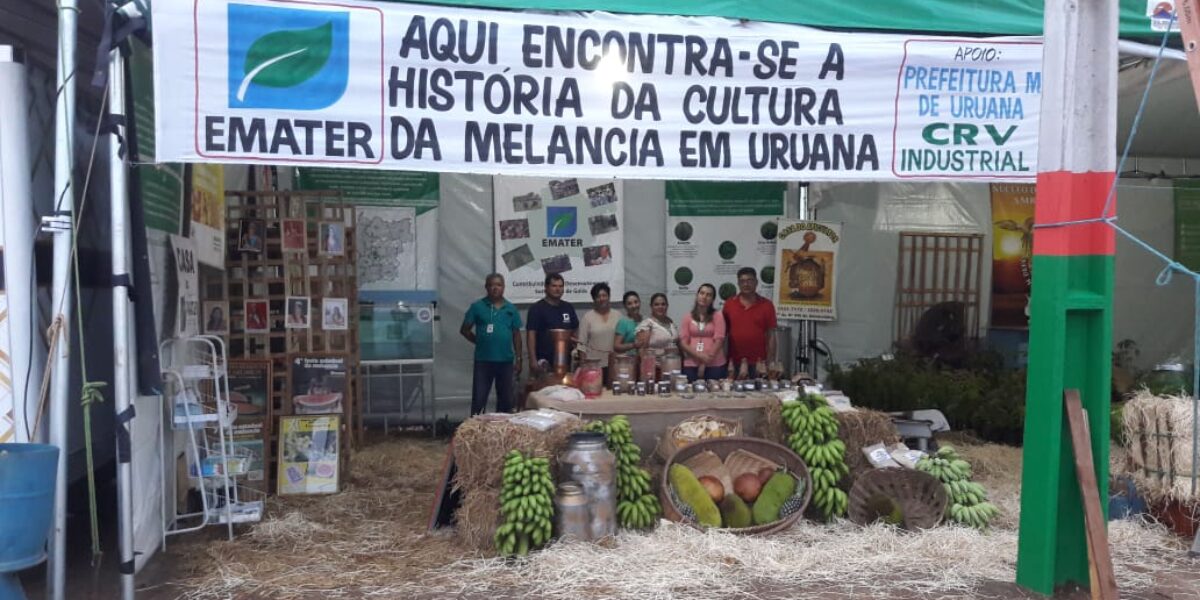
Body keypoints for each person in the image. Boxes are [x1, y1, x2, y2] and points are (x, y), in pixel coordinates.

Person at [460, 273, 523, 415]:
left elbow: (516, 335)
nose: (495, 288)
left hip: (506, 362)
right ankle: (475, 432)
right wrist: (479, 341)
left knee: (505, 401)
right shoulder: (477, 307)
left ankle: (501, 433)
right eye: (492, 285)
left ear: (504, 287)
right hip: (483, 361)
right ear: (486, 287)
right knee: (479, 399)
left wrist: (519, 359)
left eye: (499, 285)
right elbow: (464, 330)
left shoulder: (511, 309)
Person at [722, 267, 778, 379]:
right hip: (734, 363)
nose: (746, 284)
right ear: (738, 283)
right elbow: (724, 336)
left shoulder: (767, 305)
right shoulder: (729, 304)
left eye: (750, 280)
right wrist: (723, 360)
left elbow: (771, 335)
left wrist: (770, 361)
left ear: (756, 282)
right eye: (742, 281)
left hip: (759, 363)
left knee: (759, 395)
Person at [526, 273, 579, 374]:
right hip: (543, 362)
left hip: (565, 361)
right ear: (546, 287)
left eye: (560, 286)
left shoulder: (568, 307)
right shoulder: (536, 309)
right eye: (554, 286)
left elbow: (575, 332)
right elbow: (531, 335)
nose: (557, 289)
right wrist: (532, 360)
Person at [679, 283, 728, 381]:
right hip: (691, 364)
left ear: (713, 300)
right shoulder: (687, 317)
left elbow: (719, 339)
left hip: (714, 364)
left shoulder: (718, 316)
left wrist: (706, 360)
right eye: (702, 293)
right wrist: (700, 356)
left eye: (709, 295)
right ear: (697, 295)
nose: (704, 297)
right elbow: (683, 342)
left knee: (714, 394)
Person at [577, 283, 618, 370]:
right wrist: (583, 366)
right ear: (594, 299)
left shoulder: (618, 315)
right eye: (598, 296)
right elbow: (581, 346)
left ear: (609, 297)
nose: (601, 299)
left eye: (604, 295)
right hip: (593, 366)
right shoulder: (587, 318)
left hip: (614, 364)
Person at [612, 291, 644, 356]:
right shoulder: (623, 322)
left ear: (640, 302)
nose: (634, 306)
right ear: (625, 306)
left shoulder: (645, 320)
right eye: (629, 304)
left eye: (636, 302)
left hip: (645, 359)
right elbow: (616, 346)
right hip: (629, 361)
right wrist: (633, 345)